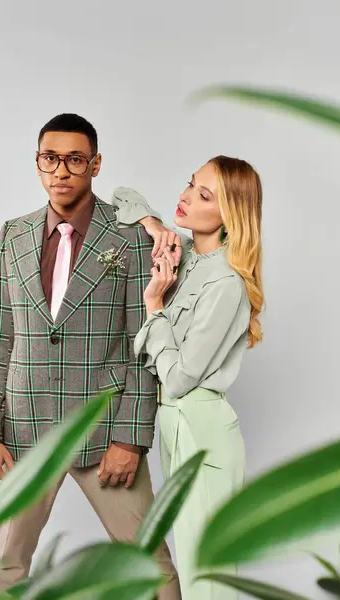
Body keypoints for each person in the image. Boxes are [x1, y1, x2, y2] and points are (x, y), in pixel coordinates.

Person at [0, 113, 181, 599]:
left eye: (74, 159)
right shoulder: (13, 235)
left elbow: (143, 343)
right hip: (27, 433)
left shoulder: (130, 237)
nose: (61, 170)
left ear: (95, 164)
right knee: (5, 563)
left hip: (104, 430)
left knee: (149, 561)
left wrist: (130, 440)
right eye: (50, 158)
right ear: (38, 163)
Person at [112, 155, 264, 599]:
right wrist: (155, 225)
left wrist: (155, 306)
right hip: (176, 424)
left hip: (203, 427)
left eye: (204, 195)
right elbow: (123, 196)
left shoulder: (225, 283)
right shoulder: (185, 255)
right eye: (189, 184)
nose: (186, 197)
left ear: (229, 214)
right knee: (193, 559)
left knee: (208, 576)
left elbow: (179, 378)